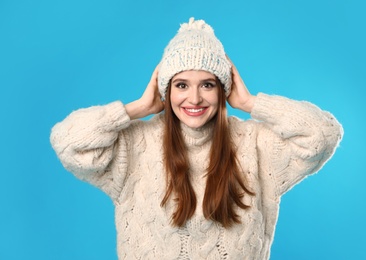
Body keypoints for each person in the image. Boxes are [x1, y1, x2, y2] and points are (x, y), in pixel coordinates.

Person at [50, 17, 343, 260]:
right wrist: (137, 108)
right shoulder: (133, 146)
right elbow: (67, 142)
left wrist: (251, 103)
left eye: (207, 84)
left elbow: (323, 134)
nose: (194, 98)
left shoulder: (255, 144)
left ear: (223, 90)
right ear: (166, 91)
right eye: (181, 85)